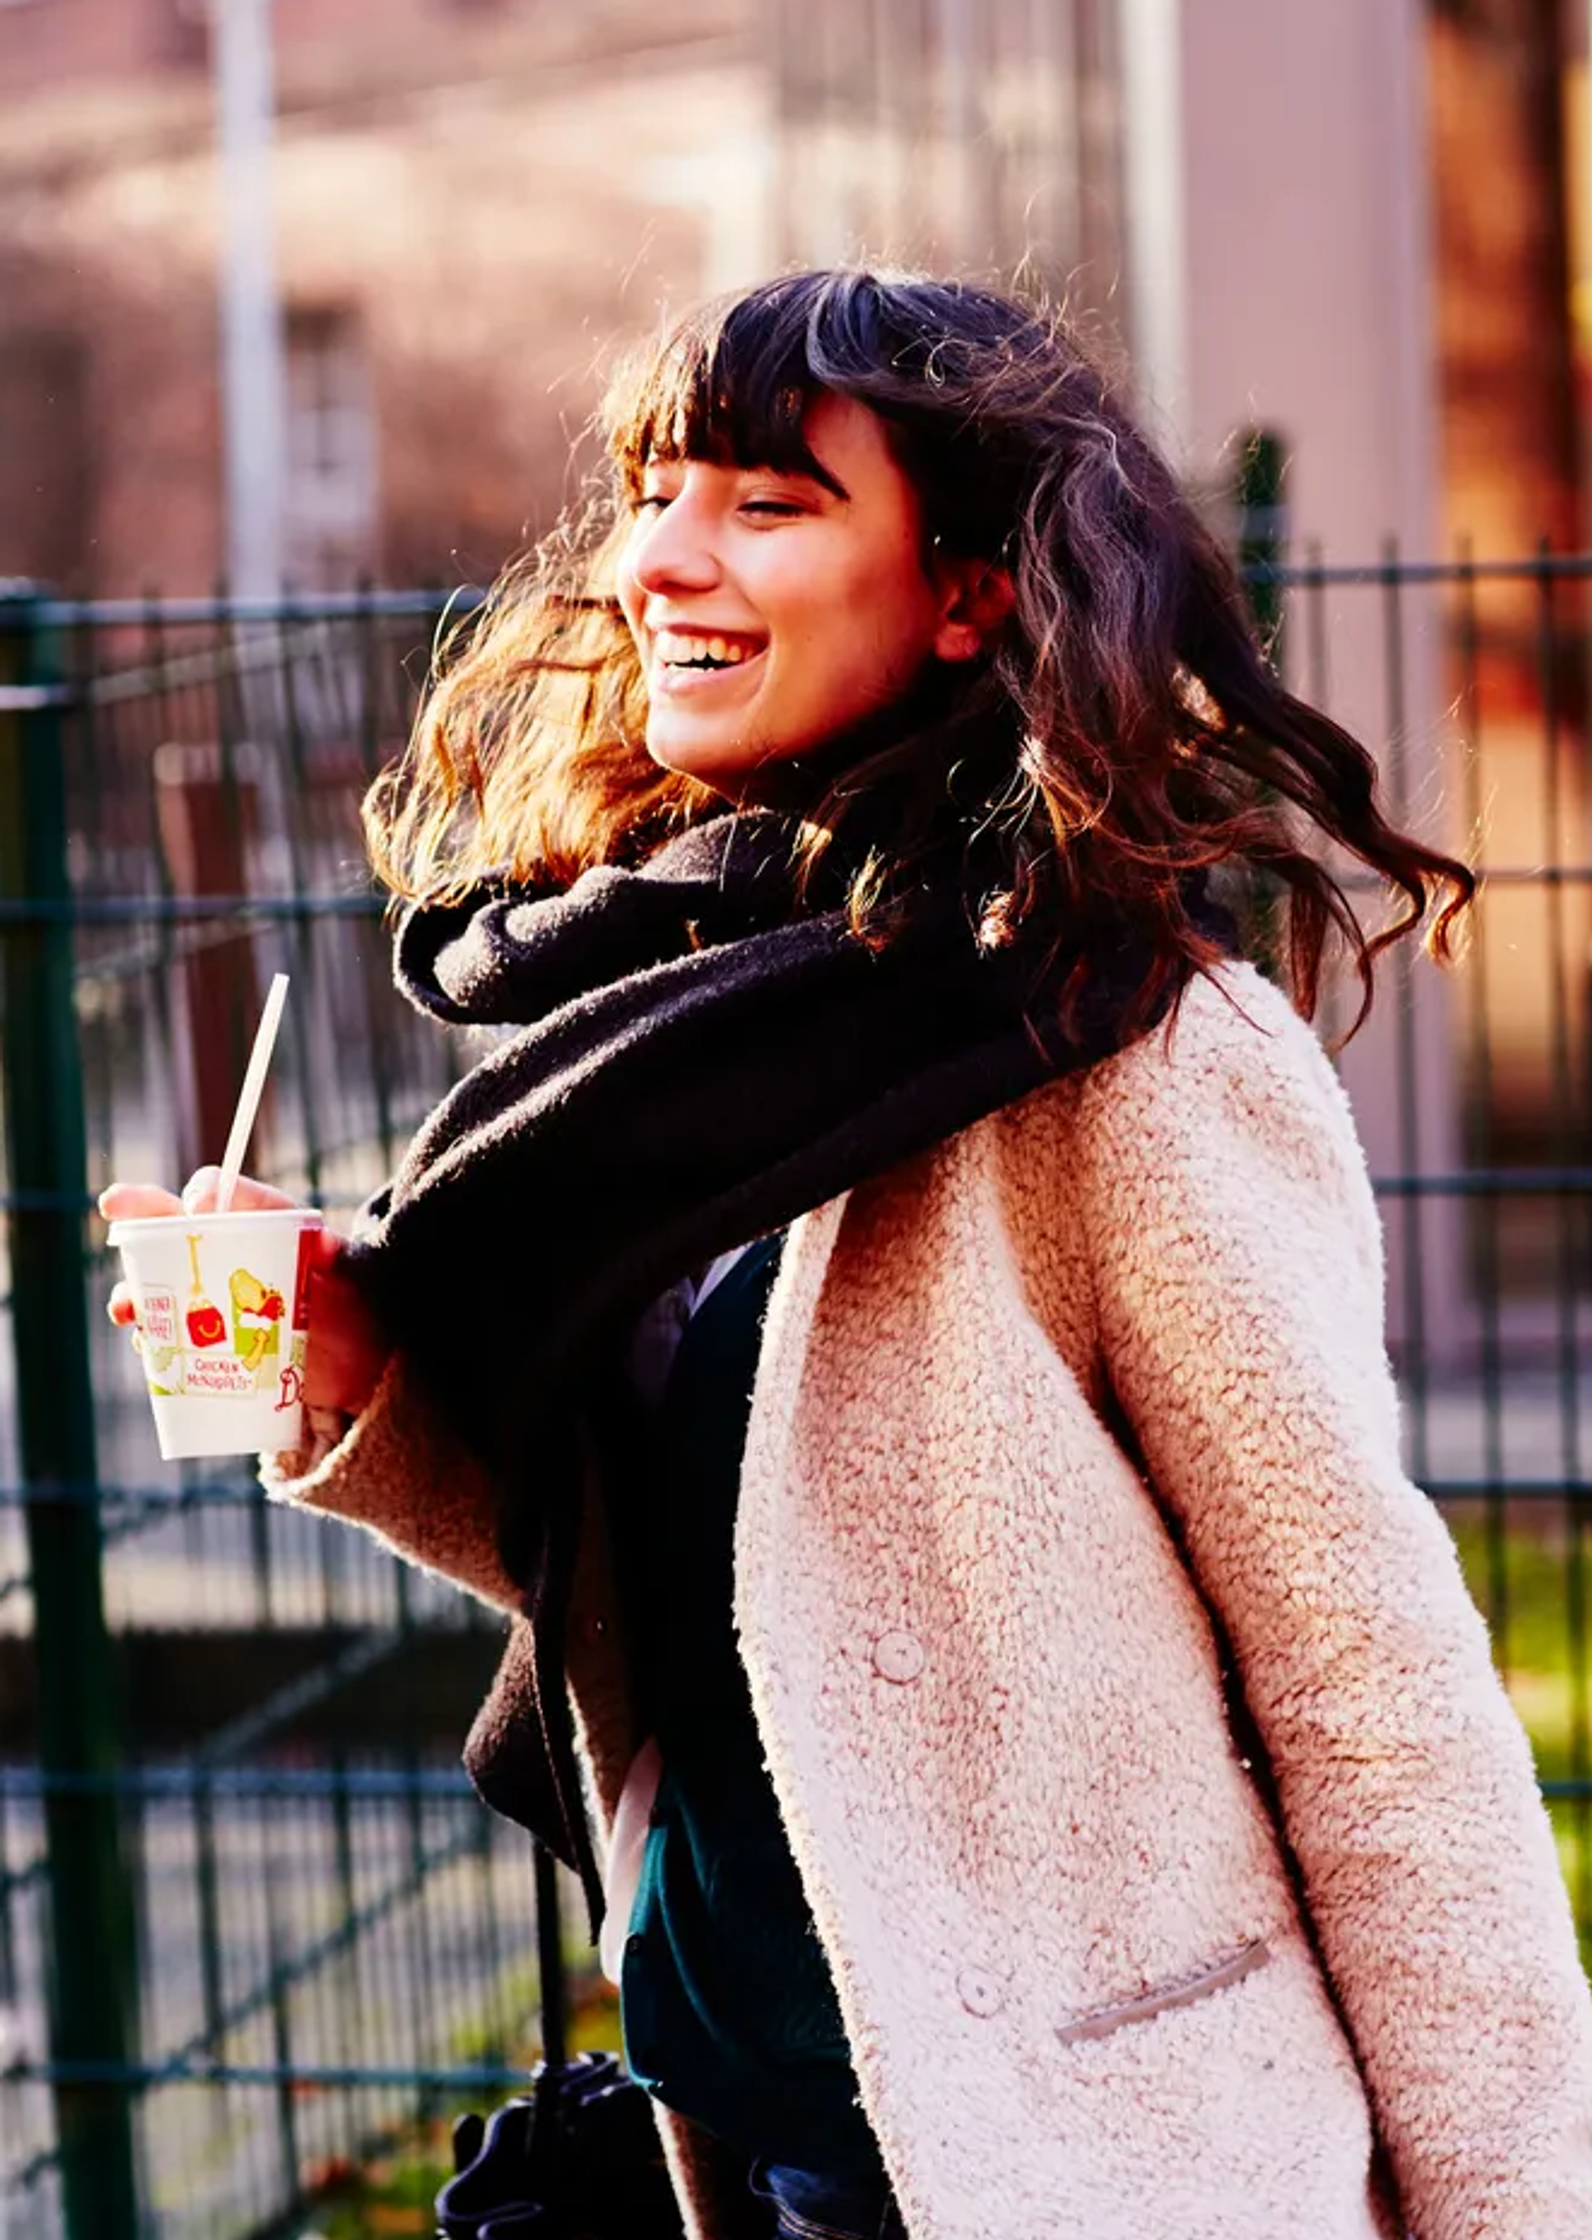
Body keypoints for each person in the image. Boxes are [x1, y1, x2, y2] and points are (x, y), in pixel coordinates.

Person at [104, 269, 1592, 2240]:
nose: (659, 560)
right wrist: (349, 1366)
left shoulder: (1125, 1048)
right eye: (654, 492)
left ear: (966, 592)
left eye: (764, 503)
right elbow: (718, 1580)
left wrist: (1510, 2209)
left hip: (1106, 2171)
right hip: (767, 2154)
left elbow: (1369, 1690)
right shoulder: (676, 1029)